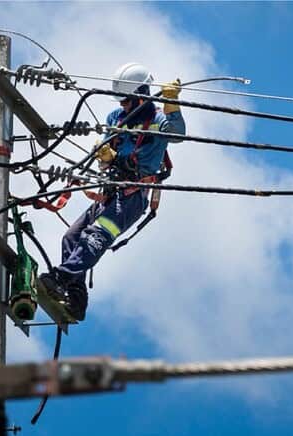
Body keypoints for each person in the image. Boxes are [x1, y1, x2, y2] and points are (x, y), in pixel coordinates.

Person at [39, 63, 186, 322]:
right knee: (71, 237)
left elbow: (178, 135)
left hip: (134, 195)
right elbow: (107, 157)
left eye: (127, 100)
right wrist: (105, 156)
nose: (124, 105)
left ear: (142, 94)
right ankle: (75, 300)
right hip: (111, 190)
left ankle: (60, 277)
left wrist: (173, 103)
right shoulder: (115, 118)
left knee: (96, 236)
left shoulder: (160, 119)